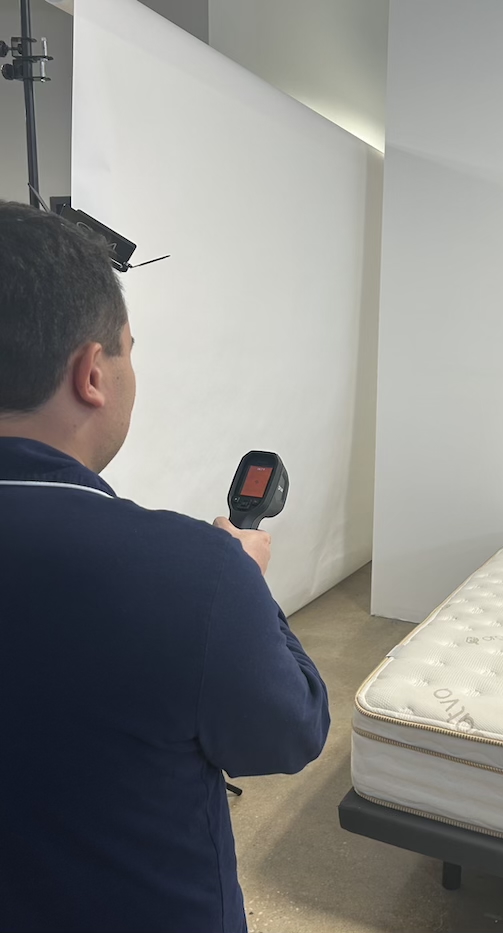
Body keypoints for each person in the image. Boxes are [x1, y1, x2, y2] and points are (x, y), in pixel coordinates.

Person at [0, 200, 330, 933]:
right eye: (129, 348)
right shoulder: (197, 573)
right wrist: (246, 582)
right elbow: (289, 731)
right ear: (93, 372)